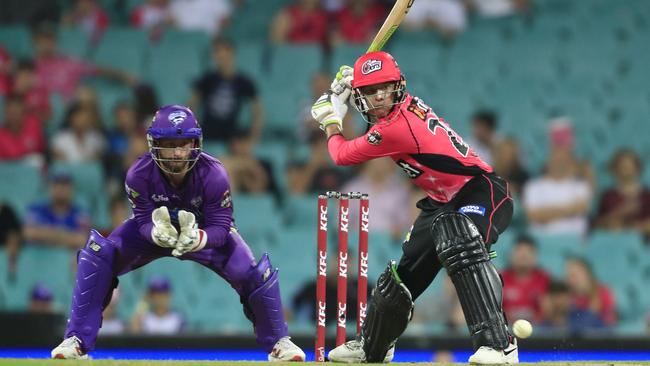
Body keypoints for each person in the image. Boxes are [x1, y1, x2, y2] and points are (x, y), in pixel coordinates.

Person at [50, 105, 305, 361]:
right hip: (154, 229)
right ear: (154, 144)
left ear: (196, 143)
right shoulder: (138, 174)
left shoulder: (214, 174)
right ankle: (76, 341)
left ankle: (279, 342)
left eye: (183, 144)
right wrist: (153, 233)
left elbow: (221, 226)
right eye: (169, 144)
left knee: (254, 273)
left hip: (203, 230)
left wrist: (199, 239)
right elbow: (141, 220)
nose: (177, 152)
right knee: (99, 255)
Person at [311, 51, 517, 364]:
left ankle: (499, 345)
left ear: (399, 87)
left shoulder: (394, 129)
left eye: (385, 88)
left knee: (460, 240)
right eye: (371, 91)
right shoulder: (393, 111)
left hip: (481, 190)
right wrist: (349, 89)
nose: (380, 97)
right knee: (401, 278)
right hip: (441, 200)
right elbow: (373, 103)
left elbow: (340, 154)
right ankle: (372, 347)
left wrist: (331, 120)